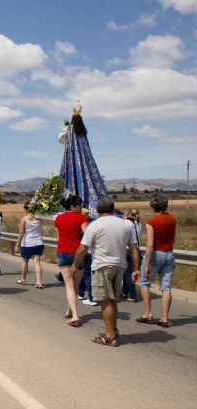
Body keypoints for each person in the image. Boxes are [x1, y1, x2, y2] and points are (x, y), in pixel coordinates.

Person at [72, 199, 140, 347]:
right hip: (120, 265)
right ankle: (113, 330)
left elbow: (83, 248)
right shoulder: (126, 224)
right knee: (113, 299)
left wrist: (75, 265)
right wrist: (136, 269)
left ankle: (109, 336)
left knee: (105, 301)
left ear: (97, 210)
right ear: (113, 209)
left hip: (102, 265)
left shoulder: (94, 225)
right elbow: (134, 248)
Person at [59, 101, 109, 216]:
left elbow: (61, 139)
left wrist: (65, 128)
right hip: (84, 160)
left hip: (72, 159)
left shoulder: (70, 129)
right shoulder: (83, 131)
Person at [136, 193, 177, 328]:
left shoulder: (151, 222)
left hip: (156, 254)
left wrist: (146, 263)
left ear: (153, 206)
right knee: (166, 287)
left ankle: (148, 313)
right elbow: (172, 238)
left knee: (144, 283)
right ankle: (164, 318)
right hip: (169, 254)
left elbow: (149, 245)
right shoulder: (172, 219)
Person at [54, 194, 88, 327]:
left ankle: (70, 311)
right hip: (78, 253)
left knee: (69, 285)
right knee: (76, 284)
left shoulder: (58, 218)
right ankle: (75, 314)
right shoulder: (81, 218)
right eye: (79, 204)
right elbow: (88, 235)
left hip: (62, 252)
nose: (81, 207)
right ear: (73, 206)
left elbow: (59, 235)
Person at [14, 202, 44, 288]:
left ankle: (23, 279)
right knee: (37, 262)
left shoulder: (24, 218)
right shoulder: (40, 219)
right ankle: (39, 282)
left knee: (25, 262)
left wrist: (17, 244)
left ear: (27, 209)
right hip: (38, 243)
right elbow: (41, 231)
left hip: (27, 244)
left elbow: (21, 232)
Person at [121, 208, 141, 302]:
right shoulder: (138, 224)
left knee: (128, 274)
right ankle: (125, 292)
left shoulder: (127, 223)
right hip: (135, 250)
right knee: (126, 273)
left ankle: (132, 295)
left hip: (128, 250)